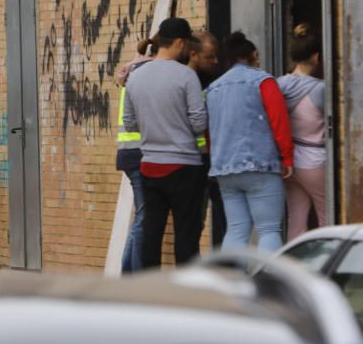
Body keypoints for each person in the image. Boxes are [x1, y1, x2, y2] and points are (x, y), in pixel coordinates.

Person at [123, 18, 208, 268]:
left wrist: (154, 126)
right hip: (185, 166)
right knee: (186, 237)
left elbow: (129, 123)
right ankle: (185, 292)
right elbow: (198, 122)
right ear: (180, 43)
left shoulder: (135, 77)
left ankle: (151, 292)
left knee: (152, 234)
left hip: (149, 165)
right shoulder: (186, 75)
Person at [206, 32, 294, 252]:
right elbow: (279, 121)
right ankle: (267, 284)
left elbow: (208, 130)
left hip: (224, 169)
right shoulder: (263, 81)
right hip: (260, 165)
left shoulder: (213, 88)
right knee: (269, 229)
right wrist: (287, 156)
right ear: (254, 54)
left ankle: (231, 283)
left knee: (236, 229)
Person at [278, 24, 327, 239]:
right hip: (315, 160)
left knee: (296, 221)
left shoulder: (279, 84)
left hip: (290, 162)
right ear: (316, 57)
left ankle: (292, 268)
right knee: (328, 218)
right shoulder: (320, 88)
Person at [115, 38, 155, 274]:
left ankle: (128, 272)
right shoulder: (143, 77)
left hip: (129, 153)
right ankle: (137, 276)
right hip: (140, 152)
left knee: (142, 217)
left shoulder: (130, 75)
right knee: (145, 218)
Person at [187, 31, 228, 248]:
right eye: (210, 57)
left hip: (216, 158)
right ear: (194, 54)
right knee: (194, 222)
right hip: (195, 161)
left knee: (226, 219)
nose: (216, 61)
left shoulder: (217, 80)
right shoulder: (186, 81)